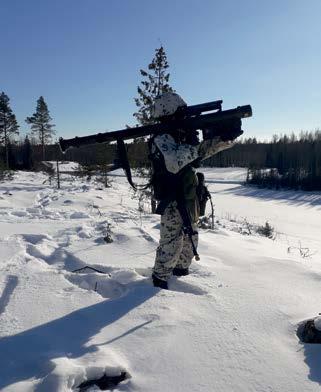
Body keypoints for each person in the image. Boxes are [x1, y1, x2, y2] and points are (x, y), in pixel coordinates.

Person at [150, 92, 239, 290]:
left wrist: (225, 138)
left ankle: (181, 273)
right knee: (171, 242)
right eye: (181, 112)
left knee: (191, 238)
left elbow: (200, 153)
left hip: (190, 194)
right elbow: (174, 163)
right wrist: (196, 147)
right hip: (172, 197)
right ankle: (159, 282)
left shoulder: (182, 133)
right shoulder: (161, 138)